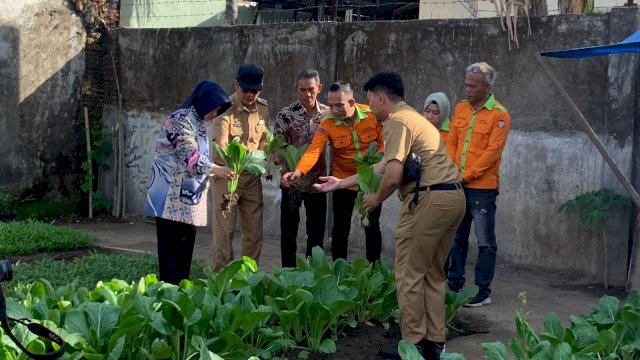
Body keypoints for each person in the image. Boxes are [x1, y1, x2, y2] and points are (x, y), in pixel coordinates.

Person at [313, 72, 465, 360]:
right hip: (453, 197)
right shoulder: (414, 118)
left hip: (428, 200)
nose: (368, 106)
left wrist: (375, 198)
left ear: (381, 98)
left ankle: (413, 347)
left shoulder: (396, 121)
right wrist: (342, 182)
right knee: (433, 273)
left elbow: (393, 177)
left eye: (369, 99)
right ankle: (434, 344)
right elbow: (385, 163)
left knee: (408, 274)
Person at [144, 80, 236, 285]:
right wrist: (217, 170)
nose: (215, 114)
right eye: (214, 109)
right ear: (204, 102)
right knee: (171, 255)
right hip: (170, 199)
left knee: (183, 254)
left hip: (186, 201)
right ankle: (167, 296)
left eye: (218, 110)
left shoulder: (198, 122)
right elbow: (189, 156)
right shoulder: (181, 119)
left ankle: (179, 296)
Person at [283, 81, 384, 263]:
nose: (333, 110)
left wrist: (375, 166)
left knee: (372, 226)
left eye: (339, 105)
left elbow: (383, 145)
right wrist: (298, 171)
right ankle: (340, 271)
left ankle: (374, 270)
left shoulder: (372, 116)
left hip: (370, 180)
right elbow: (314, 150)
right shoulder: (327, 121)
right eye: (330, 105)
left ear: (352, 103)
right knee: (340, 229)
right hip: (342, 180)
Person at [446, 62, 511, 307]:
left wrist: (465, 175)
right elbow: (452, 139)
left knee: (485, 241)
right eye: (466, 84)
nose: (468, 90)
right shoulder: (461, 109)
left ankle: (483, 291)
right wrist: (452, 170)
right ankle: (455, 285)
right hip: (458, 183)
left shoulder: (500, 115)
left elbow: (492, 153)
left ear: (487, 86)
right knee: (456, 237)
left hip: (482, 188)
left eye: (473, 86)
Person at [211, 64, 270, 271]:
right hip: (227, 177)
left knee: (254, 232)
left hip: (251, 179)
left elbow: (263, 142)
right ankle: (222, 278)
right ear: (236, 85)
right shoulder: (224, 109)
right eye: (246, 89)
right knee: (224, 231)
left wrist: (269, 157)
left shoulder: (263, 108)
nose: (250, 94)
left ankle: (248, 277)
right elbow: (222, 145)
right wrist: (239, 160)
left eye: (255, 90)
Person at [274, 69, 329, 267]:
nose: (307, 94)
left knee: (316, 232)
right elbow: (277, 148)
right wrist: (284, 173)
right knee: (289, 232)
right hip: (292, 183)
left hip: (317, 182)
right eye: (302, 89)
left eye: (311, 89)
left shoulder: (328, 114)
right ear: (296, 89)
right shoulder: (286, 115)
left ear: (319, 88)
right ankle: (287, 273)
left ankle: (313, 274)